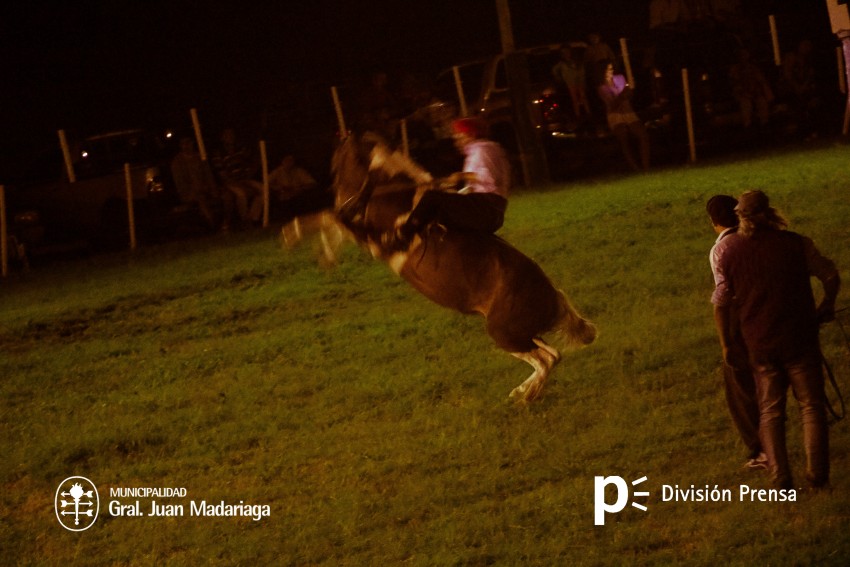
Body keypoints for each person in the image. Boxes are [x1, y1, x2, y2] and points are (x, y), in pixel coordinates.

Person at [712, 190, 840, 490]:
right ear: (770, 213)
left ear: (740, 219)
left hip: (760, 343)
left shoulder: (729, 254)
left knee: (770, 411)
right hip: (800, 338)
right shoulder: (796, 244)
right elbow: (830, 275)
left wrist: (727, 343)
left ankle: (780, 477)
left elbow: (720, 302)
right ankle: (817, 473)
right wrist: (827, 305)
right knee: (811, 406)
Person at [383, 116, 510, 250]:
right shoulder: (482, 151)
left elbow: (488, 178)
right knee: (438, 198)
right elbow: (478, 186)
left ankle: (403, 236)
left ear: (471, 134)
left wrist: (459, 176)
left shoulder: (482, 150)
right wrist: (448, 189)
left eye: (460, 137)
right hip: (488, 207)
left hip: (486, 208)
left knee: (432, 197)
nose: (456, 141)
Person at [705, 195, 764, 470]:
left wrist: (726, 342)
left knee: (740, 390)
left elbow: (723, 298)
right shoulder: (758, 237)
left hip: (743, 324)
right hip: (771, 318)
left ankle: (759, 450)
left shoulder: (721, 249)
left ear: (713, 221)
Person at [596, 60, 650, 172]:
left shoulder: (619, 78)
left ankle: (646, 167)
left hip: (628, 111)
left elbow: (629, 95)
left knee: (643, 135)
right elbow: (612, 104)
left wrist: (628, 92)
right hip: (615, 115)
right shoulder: (602, 87)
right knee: (623, 138)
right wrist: (622, 95)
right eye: (608, 69)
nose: (611, 71)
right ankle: (635, 168)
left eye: (611, 69)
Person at [170, 137, 226, 230]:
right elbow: (180, 183)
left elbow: (209, 175)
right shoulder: (177, 162)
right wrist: (194, 190)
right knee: (201, 199)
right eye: (184, 143)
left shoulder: (200, 157)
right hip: (189, 193)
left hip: (205, 189)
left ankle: (227, 221)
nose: (187, 146)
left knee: (226, 195)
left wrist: (213, 188)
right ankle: (212, 224)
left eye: (189, 143)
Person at [211, 128, 264, 228]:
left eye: (232, 134)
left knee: (263, 189)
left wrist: (250, 172)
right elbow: (222, 175)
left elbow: (254, 160)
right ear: (222, 138)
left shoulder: (240, 149)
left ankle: (253, 217)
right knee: (241, 194)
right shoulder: (218, 154)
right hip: (230, 183)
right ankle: (245, 219)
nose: (231, 137)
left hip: (245, 179)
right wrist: (236, 183)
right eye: (227, 135)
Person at [728, 48, 774, 130]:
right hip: (743, 93)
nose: (744, 57)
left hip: (755, 92)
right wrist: (744, 92)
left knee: (762, 101)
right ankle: (748, 126)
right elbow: (734, 83)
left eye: (746, 55)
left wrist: (758, 90)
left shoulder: (753, 68)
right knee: (746, 104)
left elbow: (760, 80)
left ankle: (765, 123)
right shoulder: (735, 69)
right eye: (742, 55)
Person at [552, 45, 591, 122]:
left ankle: (588, 113)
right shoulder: (561, 64)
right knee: (575, 99)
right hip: (570, 83)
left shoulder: (576, 61)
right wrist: (559, 78)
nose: (566, 54)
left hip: (579, 82)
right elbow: (554, 71)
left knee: (583, 97)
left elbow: (582, 70)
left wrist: (582, 79)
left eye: (567, 52)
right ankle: (578, 115)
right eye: (563, 52)